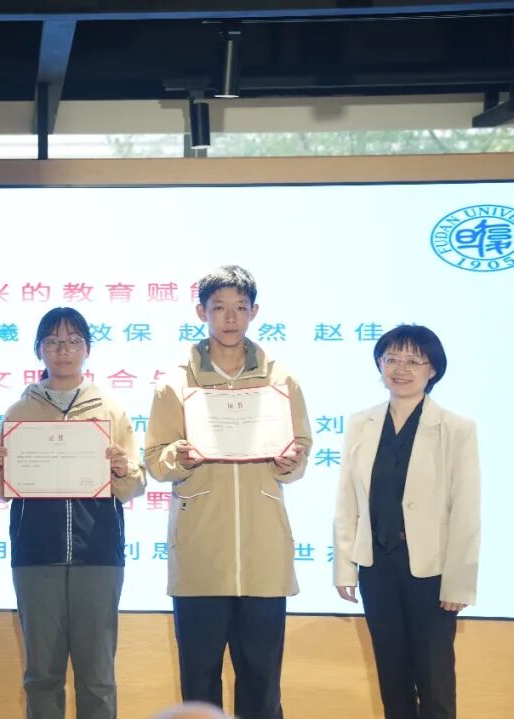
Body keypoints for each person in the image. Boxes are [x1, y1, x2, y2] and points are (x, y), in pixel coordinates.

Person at [144, 265, 311, 719]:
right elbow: (155, 460)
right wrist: (179, 455)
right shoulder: (175, 383)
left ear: (255, 311)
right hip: (201, 554)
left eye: (240, 307)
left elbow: (301, 448)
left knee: (262, 681)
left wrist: (291, 461)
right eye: (219, 308)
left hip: (263, 554)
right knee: (199, 681)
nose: (230, 318)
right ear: (202, 312)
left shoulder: (281, 380)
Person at [0, 306, 145, 719]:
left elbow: (135, 484)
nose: (63, 350)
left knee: (98, 676)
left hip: (98, 554)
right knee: (41, 675)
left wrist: (122, 469)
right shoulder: (20, 412)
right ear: (39, 350)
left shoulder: (110, 410)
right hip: (36, 554)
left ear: (87, 349)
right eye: (52, 341)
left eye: (72, 341)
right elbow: (1, 488)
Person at [333, 325, 479, 719]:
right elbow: (348, 502)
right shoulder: (360, 424)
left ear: (433, 370)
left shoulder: (456, 429)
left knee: (434, 678)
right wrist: (345, 566)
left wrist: (459, 582)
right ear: (379, 364)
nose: (401, 369)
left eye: (414, 361)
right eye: (392, 359)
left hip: (431, 571)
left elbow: (466, 511)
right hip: (377, 566)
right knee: (391, 674)